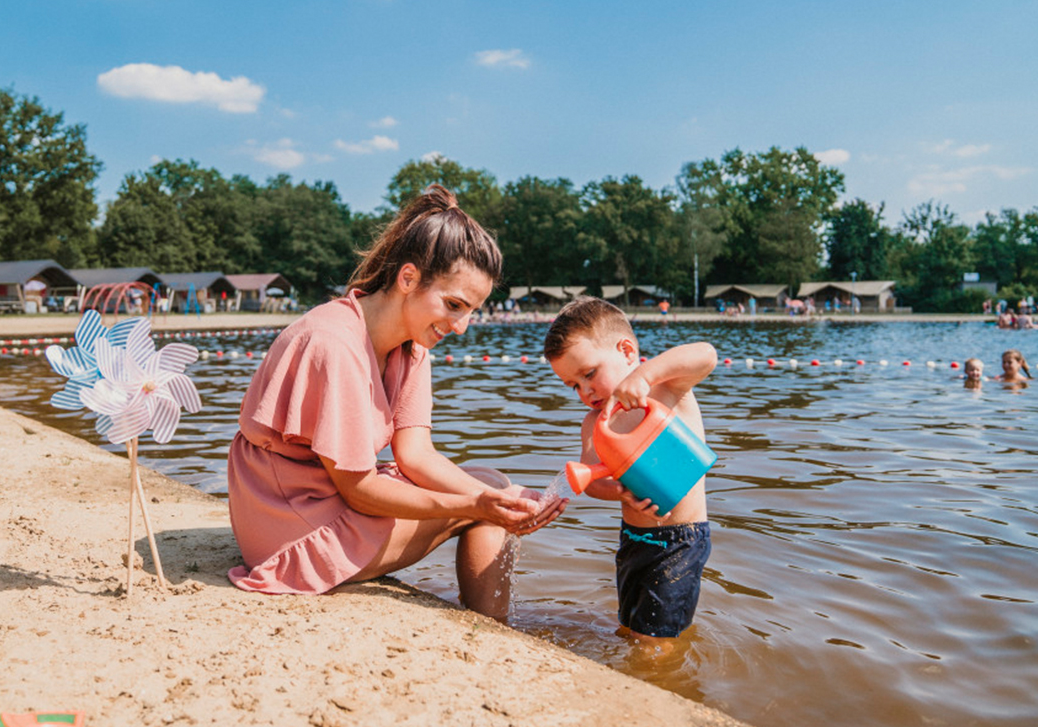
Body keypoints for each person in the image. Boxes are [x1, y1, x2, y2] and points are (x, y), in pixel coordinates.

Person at [225, 185, 564, 621]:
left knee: (493, 484)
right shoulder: (333, 344)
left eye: (471, 311)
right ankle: (495, 627)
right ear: (408, 279)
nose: (460, 327)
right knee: (483, 507)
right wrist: (474, 506)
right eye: (454, 304)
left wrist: (501, 495)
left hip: (323, 498)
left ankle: (494, 617)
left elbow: (416, 455)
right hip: (289, 527)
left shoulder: (413, 344)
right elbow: (360, 491)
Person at [543, 297, 717, 643]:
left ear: (626, 351)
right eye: (573, 385)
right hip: (633, 539)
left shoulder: (666, 388)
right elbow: (593, 479)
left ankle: (659, 679)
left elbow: (706, 354)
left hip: (680, 540)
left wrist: (645, 374)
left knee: (655, 638)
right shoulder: (594, 423)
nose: (585, 390)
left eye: (589, 374)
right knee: (631, 623)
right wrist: (619, 491)